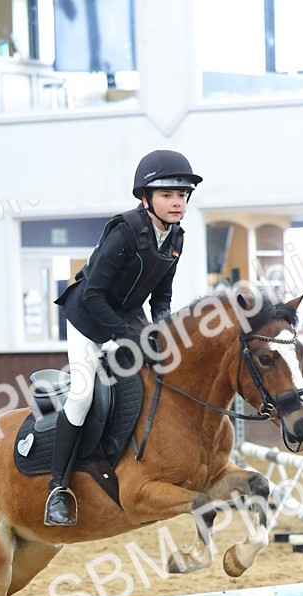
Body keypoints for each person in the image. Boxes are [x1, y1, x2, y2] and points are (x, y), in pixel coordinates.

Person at [43, 149, 203, 527]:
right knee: (82, 394)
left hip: (127, 316)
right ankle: (57, 489)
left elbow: (161, 295)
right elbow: (95, 293)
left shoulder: (176, 237)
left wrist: (162, 332)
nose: (176, 202)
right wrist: (124, 336)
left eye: (181, 195)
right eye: (167, 194)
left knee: (161, 375)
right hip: (87, 316)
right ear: (145, 198)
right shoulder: (125, 231)